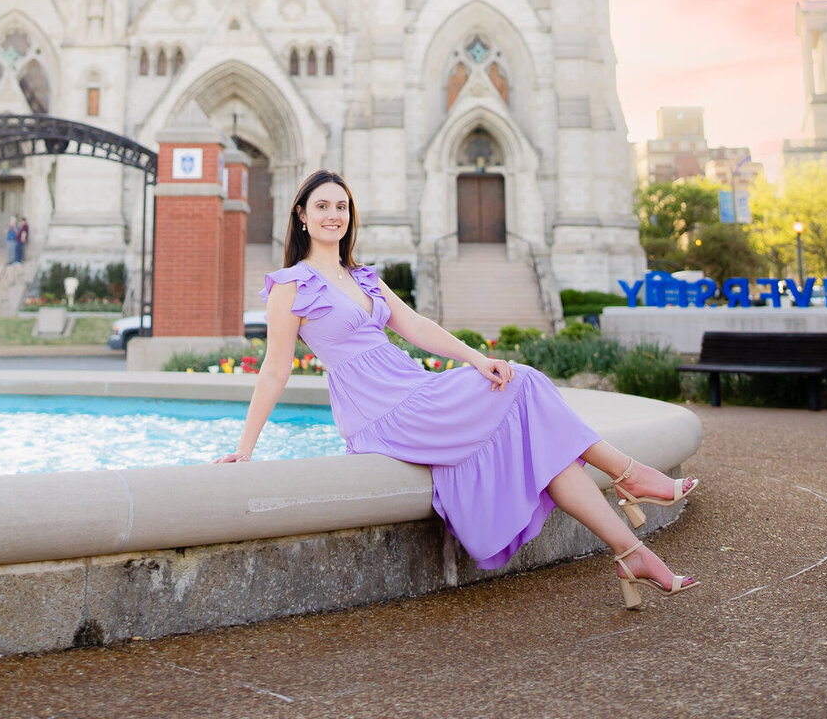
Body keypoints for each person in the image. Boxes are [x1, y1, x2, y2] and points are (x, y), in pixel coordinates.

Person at [216, 170, 699, 608]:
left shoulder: (362, 277)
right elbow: (275, 369)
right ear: (301, 215)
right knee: (526, 383)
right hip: (379, 412)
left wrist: (476, 357)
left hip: (413, 388)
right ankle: (629, 475)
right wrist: (245, 448)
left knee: (543, 444)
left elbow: (417, 327)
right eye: (322, 206)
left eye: (341, 207)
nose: (333, 215)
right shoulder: (291, 286)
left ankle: (630, 551)